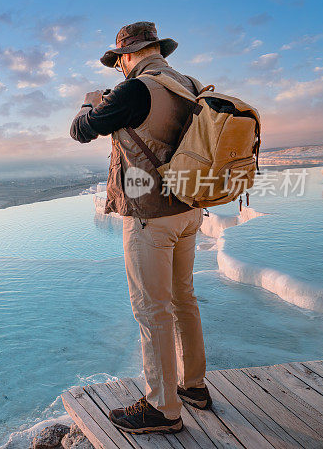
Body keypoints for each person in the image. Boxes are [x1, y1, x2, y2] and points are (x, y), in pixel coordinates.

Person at [69, 22, 211, 434]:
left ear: (128, 55)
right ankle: (194, 386)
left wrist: (88, 102)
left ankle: (162, 408)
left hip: (151, 215)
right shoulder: (188, 83)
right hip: (189, 209)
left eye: (119, 61)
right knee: (184, 297)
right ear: (158, 50)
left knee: (152, 309)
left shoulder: (134, 90)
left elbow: (80, 131)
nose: (120, 68)